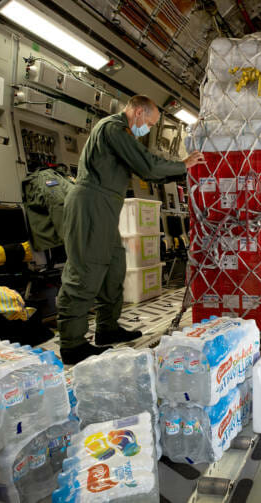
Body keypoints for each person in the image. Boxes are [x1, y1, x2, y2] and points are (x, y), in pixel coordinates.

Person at [57, 95, 205, 364]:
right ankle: (72, 344)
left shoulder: (120, 133)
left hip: (105, 206)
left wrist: (181, 170)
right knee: (85, 271)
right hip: (91, 203)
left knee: (114, 267)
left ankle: (107, 328)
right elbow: (146, 165)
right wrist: (183, 165)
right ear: (137, 112)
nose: (146, 129)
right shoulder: (114, 128)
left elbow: (146, 167)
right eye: (148, 123)